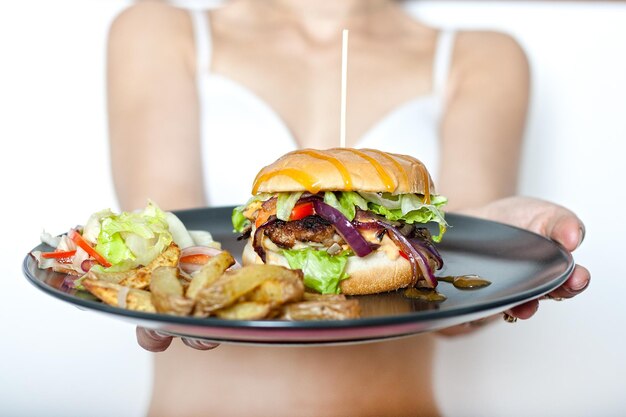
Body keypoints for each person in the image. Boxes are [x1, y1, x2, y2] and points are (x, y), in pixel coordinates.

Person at [106, 1, 590, 415]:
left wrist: (503, 254)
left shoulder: (486, 55)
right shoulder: (154, 28)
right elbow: (171, 234)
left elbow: (457, 280)